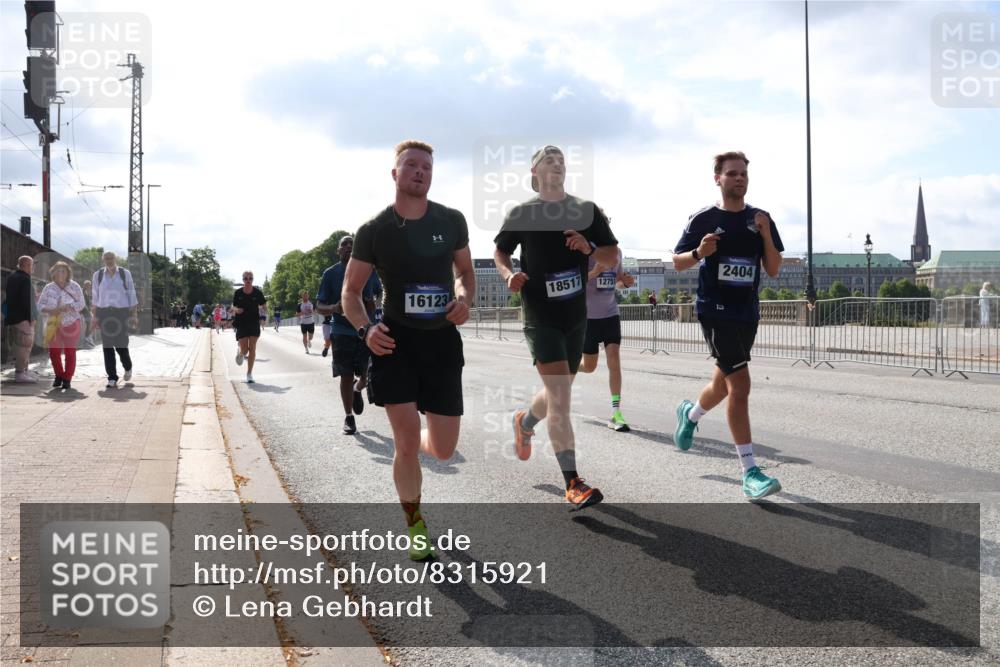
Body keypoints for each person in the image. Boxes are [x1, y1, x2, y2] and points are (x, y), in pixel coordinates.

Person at [342, 139, 474, 560]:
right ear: (395, 174)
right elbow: (351, 291)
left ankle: (417, 443)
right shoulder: (374, 230)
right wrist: (365, 331)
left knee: (444, 448)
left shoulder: (451, 220)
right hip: (394, 343)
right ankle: (415, 522)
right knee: (403, 443)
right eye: (412, 165)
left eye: (427, 167)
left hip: (441, 344)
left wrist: (464, 299)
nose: (420, 171)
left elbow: (466, 273)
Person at [494, 145, 619, 511]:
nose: (557, 164)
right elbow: (501, 252)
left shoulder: (586, 211)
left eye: (562, 160)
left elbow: (611, 254)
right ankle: (572, 482)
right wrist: (508, 274)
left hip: (575, 316)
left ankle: (525, 420)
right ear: (535, 174)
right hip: (540, 315)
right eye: (549, 160)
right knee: (562, 398)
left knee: (557, 392)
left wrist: (590, 247)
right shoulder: (523, 213)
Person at [672, 151, 784, 501]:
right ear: (717, 178)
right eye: (732, 174)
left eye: (744, 174)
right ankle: (750, 472)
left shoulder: (760, 218)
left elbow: (774, 267)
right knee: (741, 385)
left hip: (746, 311)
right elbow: (677, 262)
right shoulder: (703, 219)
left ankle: (690, 414)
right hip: (714, 309)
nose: (739, 179)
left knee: (724, 384)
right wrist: (699, 254)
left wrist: (765, 234)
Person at [317, 236, 380, 435]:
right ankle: (349, 417)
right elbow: (319, 306)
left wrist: (375, 303)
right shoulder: (330, 274)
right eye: (343, 244)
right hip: (341, 330)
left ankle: (357, 389)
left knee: (366, 374)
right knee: (345, 374)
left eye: (351, 244)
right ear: (338, 251)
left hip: (364, 329)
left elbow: (381, 293)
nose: (347, 246)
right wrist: (334, 308)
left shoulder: (368, 271)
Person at [578, 246, 635, 432]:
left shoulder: (616, 251)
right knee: (589, 367)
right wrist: (594, 272)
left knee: (614, 358)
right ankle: (569, 364)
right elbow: (575, 280)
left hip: (611, 313)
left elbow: (617, 281)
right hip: (588, 317)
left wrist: (625, 282)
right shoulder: (584, 250)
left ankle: (616, 412)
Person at [91, 251, 138, 388]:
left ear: (115, 259)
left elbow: (132, 294)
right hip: (104, 313)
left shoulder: (124, 273)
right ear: (103, 260)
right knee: (107, 346)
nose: (109, 260)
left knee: (121, 344)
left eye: (111, 258)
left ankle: (128, 366)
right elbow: (95, 297)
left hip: (121, 313)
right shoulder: (98, 275)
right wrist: (94, 316)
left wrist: (134, 315)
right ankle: (112, 377)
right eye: (106, 258)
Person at [37, 261, 86, 391]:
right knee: (54, 352)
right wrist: (51, 310)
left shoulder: (74, 286)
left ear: (68, 273)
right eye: (57, 270)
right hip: (53, 323)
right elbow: (40, 305)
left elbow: (81, 304)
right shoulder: (48, 287)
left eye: (63, 271)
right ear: (53, 273)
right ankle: (59, 375)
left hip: (71, 323)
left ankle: (67, 378)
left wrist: (69, 306)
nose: (60, 273)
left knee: (70, 352)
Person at [6, 256, 37, 383]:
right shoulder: (24, 279)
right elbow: (26, 301)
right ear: (26, 265)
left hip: (13, 317)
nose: (33, 267)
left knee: (19, 344)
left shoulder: (12, 277)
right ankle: (20, 373)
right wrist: (32, 317)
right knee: (24, 345)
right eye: (32, 265)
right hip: (23, 318)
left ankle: (24, 371)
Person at [232, 271, 267, 383]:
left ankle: (249, 374)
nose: (248, 280)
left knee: (252, 348)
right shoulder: (238, 293)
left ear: (253, 279)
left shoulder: (257, 293)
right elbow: (233, 307)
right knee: (245, 350)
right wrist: (237, 310)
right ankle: (241, 353)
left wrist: (264, 313)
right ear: (243, 280)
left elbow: (264, 306)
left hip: (254, 323)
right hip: (241, 323)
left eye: (250, 278)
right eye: (246, 278)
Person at [81, 279, 95, 345]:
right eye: (89, 285)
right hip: (84, 310)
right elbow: (82, 302)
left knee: (92, 322)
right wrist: (88, 309)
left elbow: (88, 302)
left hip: (87, 310)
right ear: (85, 285)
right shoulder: (82, 291)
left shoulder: (86, 292)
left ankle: (89, 337)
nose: (90, 287)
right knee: (89, 322)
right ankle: (87, 337)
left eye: (90, 286)